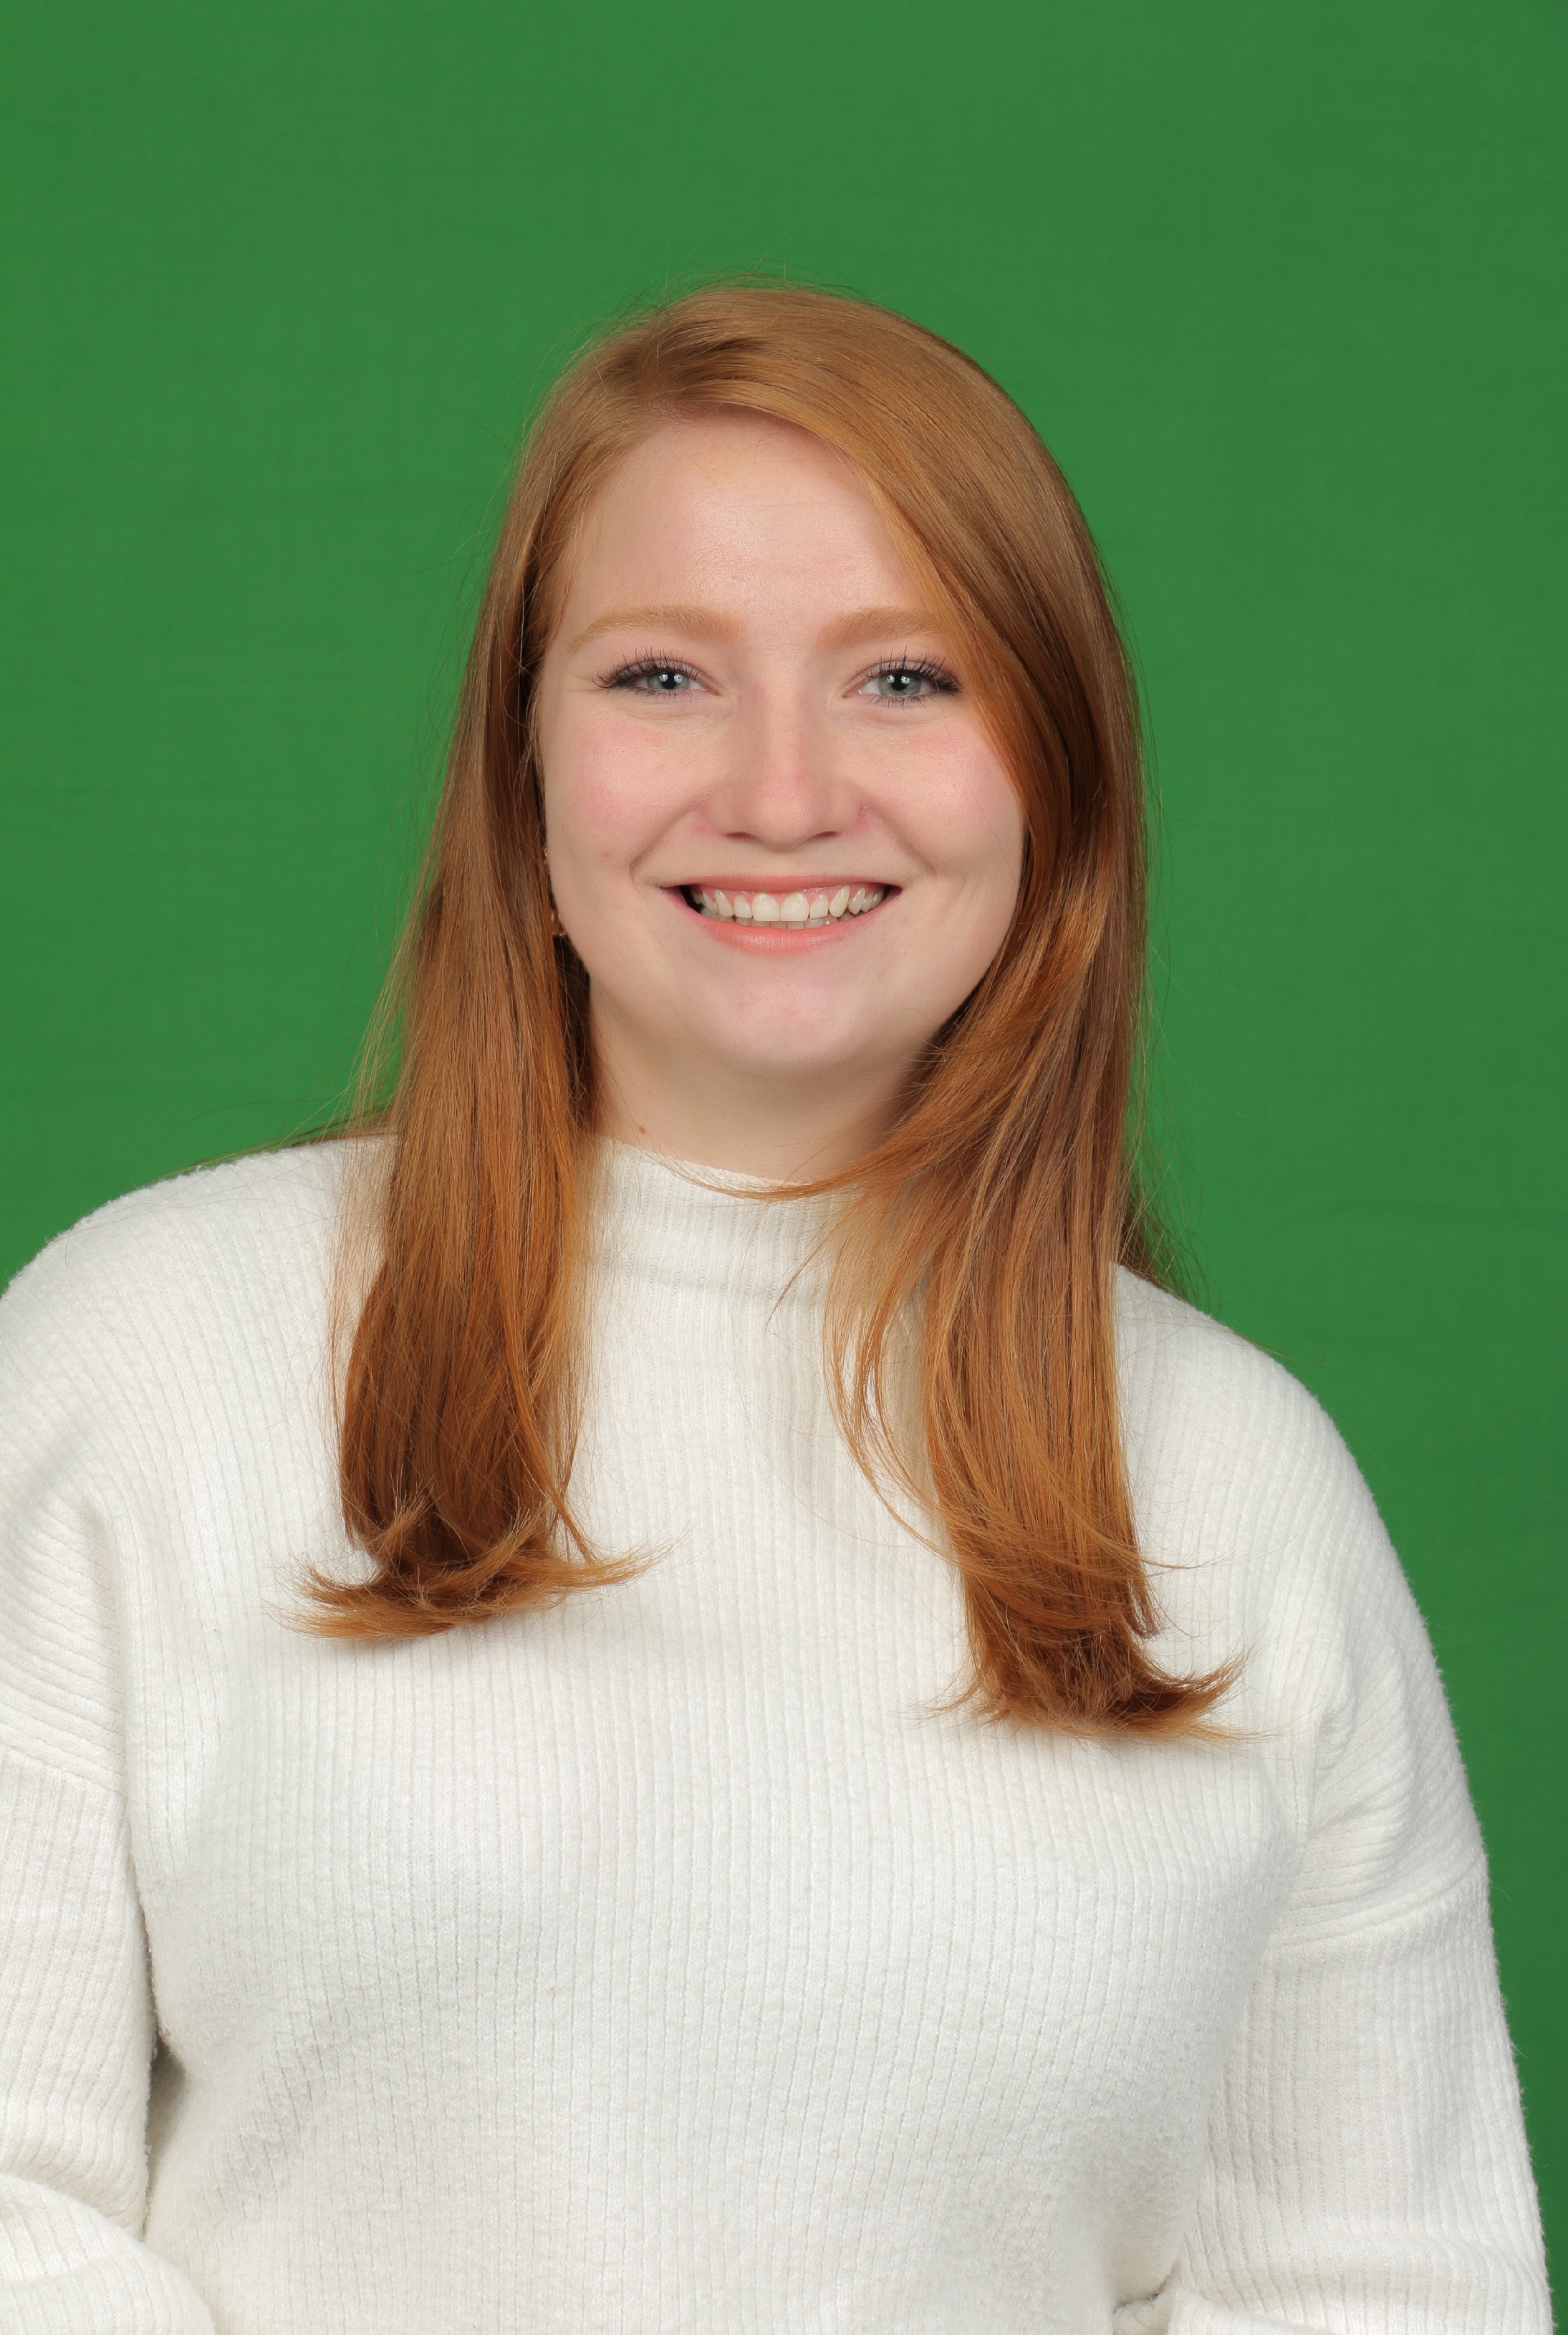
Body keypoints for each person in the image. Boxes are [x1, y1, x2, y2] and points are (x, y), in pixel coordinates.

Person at [0, 283, 1548, 2334]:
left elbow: (1387, 2287)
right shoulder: (149, 1356)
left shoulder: (1237, 1481)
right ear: (523, 767)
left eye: (905, 676)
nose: (786, 790)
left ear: (1053, 773)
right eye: (664, 675)